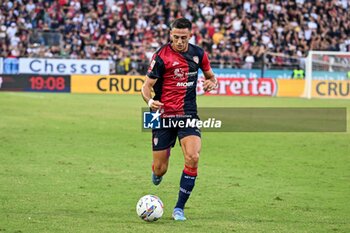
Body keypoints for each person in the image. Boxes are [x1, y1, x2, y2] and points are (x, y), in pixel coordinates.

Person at [141, 18, 217, 221]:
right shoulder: (160, 56)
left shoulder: (199, 54)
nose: (180, 41)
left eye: (184, 37)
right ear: (170, 35)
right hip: (161, 114)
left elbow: (211, 76)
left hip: (188, 114)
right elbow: (146, 86)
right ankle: (156, 173)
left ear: (190, 36)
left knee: (193, 157)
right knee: (160, 168)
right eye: (176, 37)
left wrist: (212, 83)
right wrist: (149, 102)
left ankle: (179, 208)